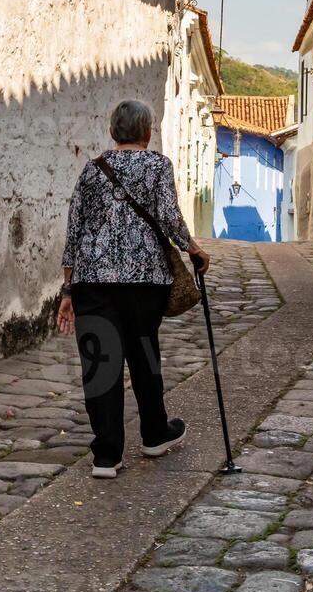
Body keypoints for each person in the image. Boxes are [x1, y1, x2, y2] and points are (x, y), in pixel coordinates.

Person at [58, 99, 210, 478]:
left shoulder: (91, 172)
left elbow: (74, 231)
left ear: (114, 131)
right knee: (143, 353)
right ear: (146, 131)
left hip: (93, 282)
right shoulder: (158, 165)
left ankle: (106, 455)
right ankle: (155, 433)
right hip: (145, 282)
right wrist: (194, 249)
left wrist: (67, 290)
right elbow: (169, 216)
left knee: (100, 364)